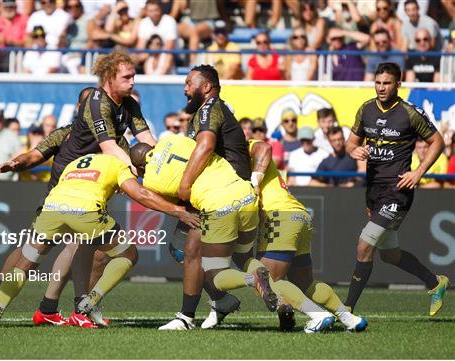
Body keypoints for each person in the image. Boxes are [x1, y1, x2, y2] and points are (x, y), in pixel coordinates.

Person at [0, 51, 157, 321]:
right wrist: (18, 163)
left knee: (78, 246)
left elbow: (144, 142)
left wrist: (160, 162)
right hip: (64, 186)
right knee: (35, 252)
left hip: (92, 187)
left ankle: (57, 306)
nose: (133, 81)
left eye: (133, 76)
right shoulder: (75, 123)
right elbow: (36, 155)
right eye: (127, 77)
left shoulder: (126, 109)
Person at [0, 152, 200, 328]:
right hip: (85, 212)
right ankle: (88, 302)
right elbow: (140, 194)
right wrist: (176, 211)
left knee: (25, 263)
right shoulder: (118, 165)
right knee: (128, 253)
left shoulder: (77, 162)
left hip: (51, 208)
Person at [130, 135, 279, 331]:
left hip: (217, 205)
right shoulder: (171, 139)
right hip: (246, 196)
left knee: (208, 267)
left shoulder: (150, 179)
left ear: (140, 168)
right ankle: (289, 301)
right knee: (242, 255)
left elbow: (182, 205)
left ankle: (189, 316)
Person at [344, 62, 449, 315]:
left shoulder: (410, 113)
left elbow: (437, 142)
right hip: (374, 192)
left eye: (387, 83)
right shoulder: (366, 109)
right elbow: (351, 143)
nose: (381, 88)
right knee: (390, 255)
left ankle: (346, 308)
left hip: (398, 191)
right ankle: (436, 283)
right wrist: (354, 150)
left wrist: (418, 171)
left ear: (398, 84)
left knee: (364, 244)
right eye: (378, 82)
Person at [158, 65, 257, 330]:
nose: (185, 88)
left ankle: (186, 317)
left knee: (192, 250)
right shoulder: (206, 111)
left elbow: (205, 146)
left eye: (189, 82)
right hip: (214, 193)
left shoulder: (210, 108)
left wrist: (184, 184)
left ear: (207, 86)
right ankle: (220, 300)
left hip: (224, 193)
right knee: (183, 251)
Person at [249, 138, 368, 332]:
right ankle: (349, 318)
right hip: (299, 215)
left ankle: (318, 315)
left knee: (267, 281)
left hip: (279, 216)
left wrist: (254, 183)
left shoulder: (244, 147)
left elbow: (264, 146)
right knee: (306, 283)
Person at [136, 0, 177, 72]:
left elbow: (169, 48)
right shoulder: (143, 22)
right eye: (150, 11)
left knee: (168, 56)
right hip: (150, 55)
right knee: (134, 57)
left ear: (160, 10)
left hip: (167, 56)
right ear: (146, 11)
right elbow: (140, 49)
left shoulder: (170, 21)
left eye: (156, 10)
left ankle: (158, 78)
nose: (154, 13)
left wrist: (152, 52)